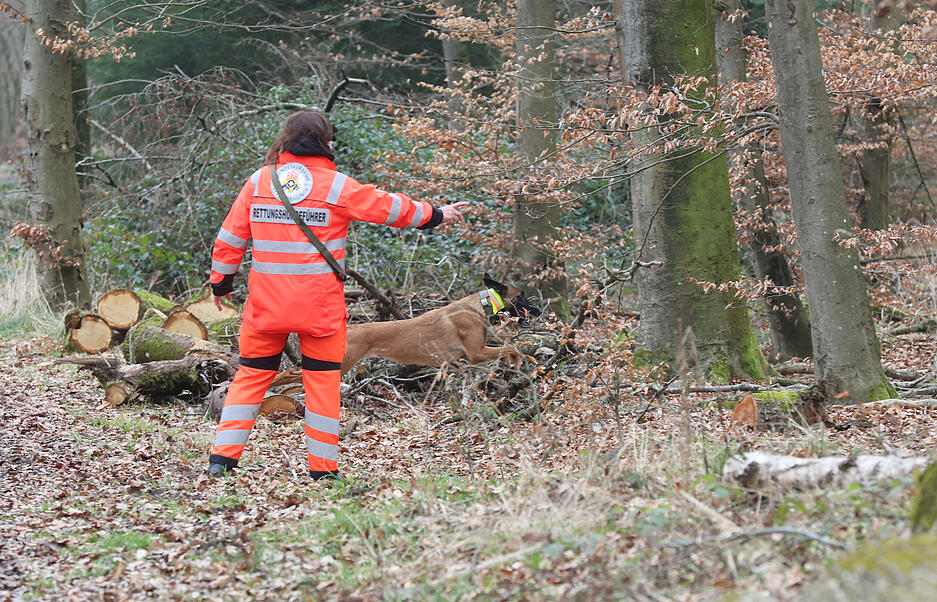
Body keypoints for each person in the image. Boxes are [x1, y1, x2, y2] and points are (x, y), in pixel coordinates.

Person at [207, 111, 467, 479]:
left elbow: (230, 237)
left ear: (287, 140)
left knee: (250, 378)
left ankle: (221, 461)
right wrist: (436, 215)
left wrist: (221, 283)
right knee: (322, 385)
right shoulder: (335, 186)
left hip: (266, 308)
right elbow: (389, 207)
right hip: (320, 312)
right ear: (324, 142)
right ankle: (324, 471)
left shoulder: (260, 182)